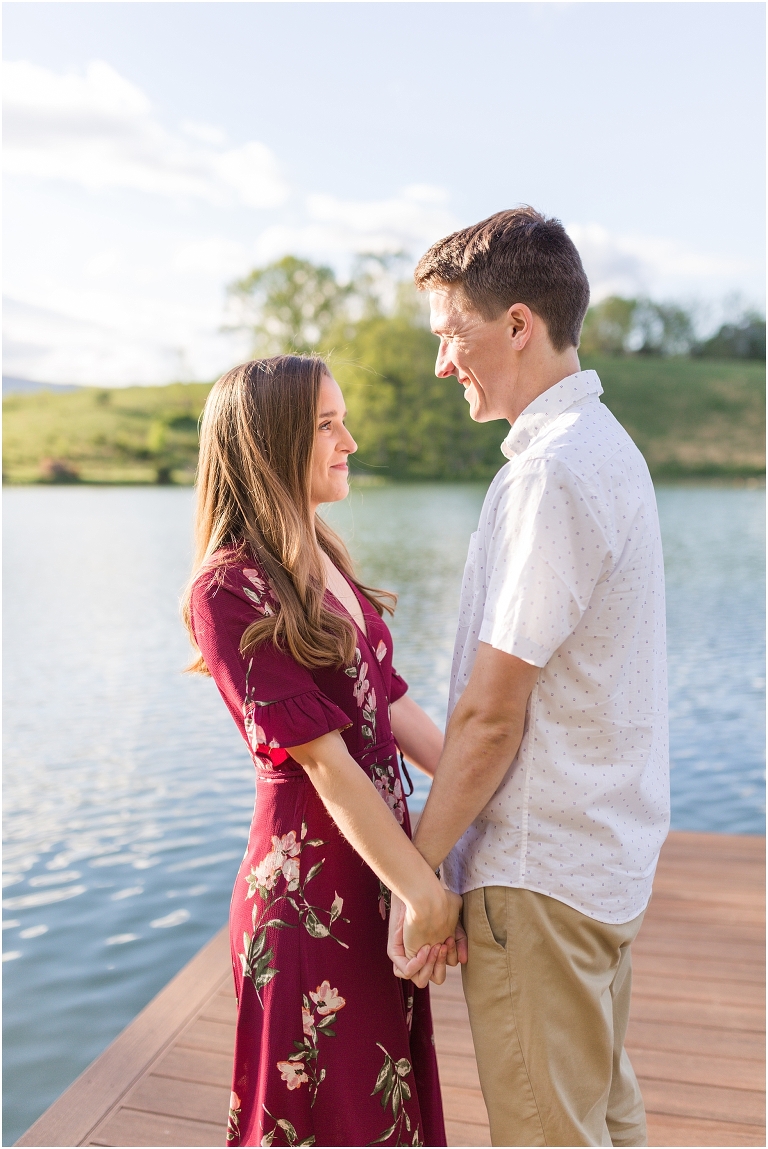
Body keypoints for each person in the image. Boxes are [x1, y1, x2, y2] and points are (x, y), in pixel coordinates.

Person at [389, 208, 669, 1148]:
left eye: (449, 335)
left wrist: (420, 868)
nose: (440, 364)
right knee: (604, 1125)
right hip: (597, 868)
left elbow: (489, 718)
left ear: (516, 324)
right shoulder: (608, 447)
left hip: (540, 880)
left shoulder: (552, 472)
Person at [182, 356, 462, 1148]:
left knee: (387, 1113)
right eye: (327, 426)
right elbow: (327, 764)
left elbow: (393, 701)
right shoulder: (227, 588)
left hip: (377, 875)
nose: (352, 441)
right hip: (309, 904)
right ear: (270, 444)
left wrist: (486, 790)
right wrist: (426, 893)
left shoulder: (327, 557)